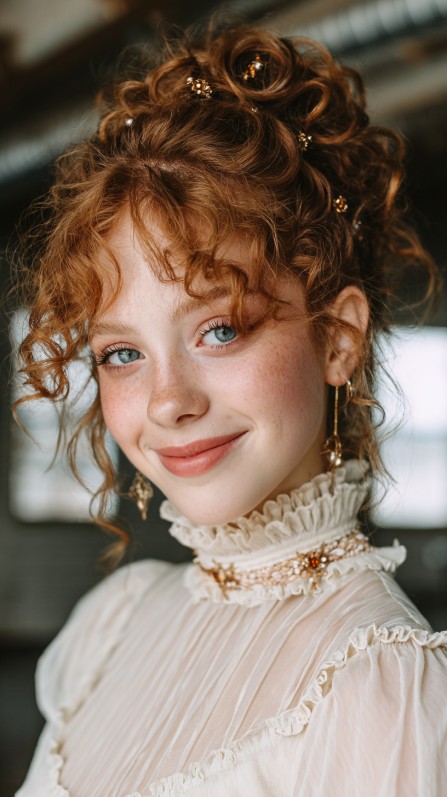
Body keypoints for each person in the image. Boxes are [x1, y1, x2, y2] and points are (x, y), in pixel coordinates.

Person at [14, 21, 447, 797]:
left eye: (219, 329)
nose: (169, 401)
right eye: (122, 354)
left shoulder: (377, 684)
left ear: (338, 337)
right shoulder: (115, 623)